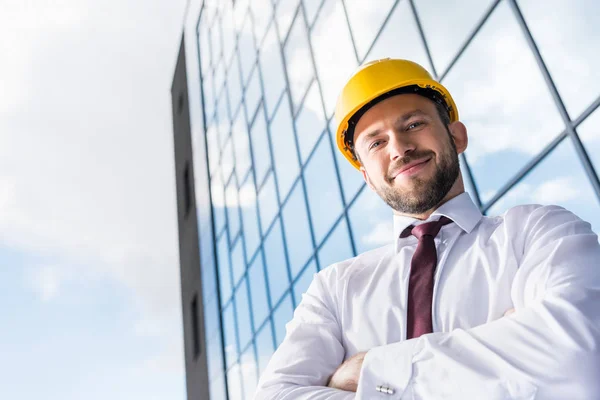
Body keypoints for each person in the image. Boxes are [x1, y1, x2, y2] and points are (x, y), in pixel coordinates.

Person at [252, 59, 600, 399]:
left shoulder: (538, 233)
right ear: (367, 179)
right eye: (376, 143)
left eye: (414, 124)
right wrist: (506, 352)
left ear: (456, 136)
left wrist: (371, 373)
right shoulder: (335, 289)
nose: (400, 148)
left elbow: (578, 355)